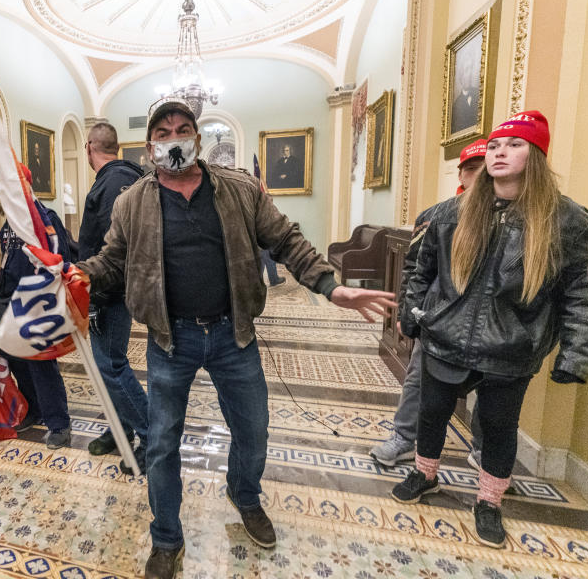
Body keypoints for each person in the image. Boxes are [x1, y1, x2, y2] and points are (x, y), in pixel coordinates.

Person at [76, 97, 398, 579]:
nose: (173, 138)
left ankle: (244, 495)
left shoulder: (239, 190)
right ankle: (166, 537)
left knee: (253, 431)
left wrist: (332, 287)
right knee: (162, 443)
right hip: (170, 340)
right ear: (149, 147)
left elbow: (286, 239)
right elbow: (113, 261)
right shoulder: (132, 201)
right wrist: (80, 275)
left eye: (182, 128)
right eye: (162, 133)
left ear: (198, 140)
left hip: (234, 335)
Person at [393, 111, 588, 548]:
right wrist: (413, 316)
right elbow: (419, 272)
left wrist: (576, 354)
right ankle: (424, 474)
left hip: (512, 348)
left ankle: (489, 501)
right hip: (445, 339)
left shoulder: (568, 221)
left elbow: (580, 294)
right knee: (432, 413)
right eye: (496, 145)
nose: (500, 151)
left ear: (537, 156)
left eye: (515, 144)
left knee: (500, 427)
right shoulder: (449, 214)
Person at [370, 139, 487, 467]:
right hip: (440, 317)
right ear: (462, 176)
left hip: (490, 322)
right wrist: (408, 314)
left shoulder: (510, 218)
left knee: (492, 390)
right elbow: (414, 269)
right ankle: (403, 438)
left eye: (486, 169)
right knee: (418, 378)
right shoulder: (437, 216)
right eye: (472, 170)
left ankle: (484, 449)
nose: (480, 176)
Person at [77, 122, 147, 469]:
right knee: (111, 365)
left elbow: (112, 250)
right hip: (114, 289)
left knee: (111, 366)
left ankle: (150, 435)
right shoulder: (127, 177)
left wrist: (97, 293)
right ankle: (120, 428)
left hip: (108, 292)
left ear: (90, 146)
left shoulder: (110, 185)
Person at [0, 164, 74, 449]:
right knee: (17, 360)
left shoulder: (45, 218)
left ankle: (59, 424)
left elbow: (60, 257)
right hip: (10, 300)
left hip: (36, 301)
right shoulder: (9, 222)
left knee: (42, 365)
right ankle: (34, 408)